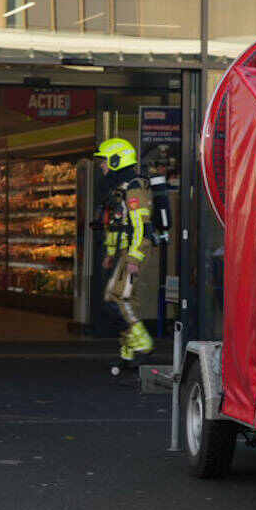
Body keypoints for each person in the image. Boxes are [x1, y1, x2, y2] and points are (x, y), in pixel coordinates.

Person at [95, 136, 154, 363]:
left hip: (132, 253)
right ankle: (128, 351)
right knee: (119, 299)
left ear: (117, 160)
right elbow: (118, 225)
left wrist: (134, 257)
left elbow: (141, 227)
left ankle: (141, 344)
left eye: (105, 161)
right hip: (123, 253)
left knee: (119, 299)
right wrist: (111, 253)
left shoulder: (134, 188)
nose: (102, 166)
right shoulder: (122, 188)